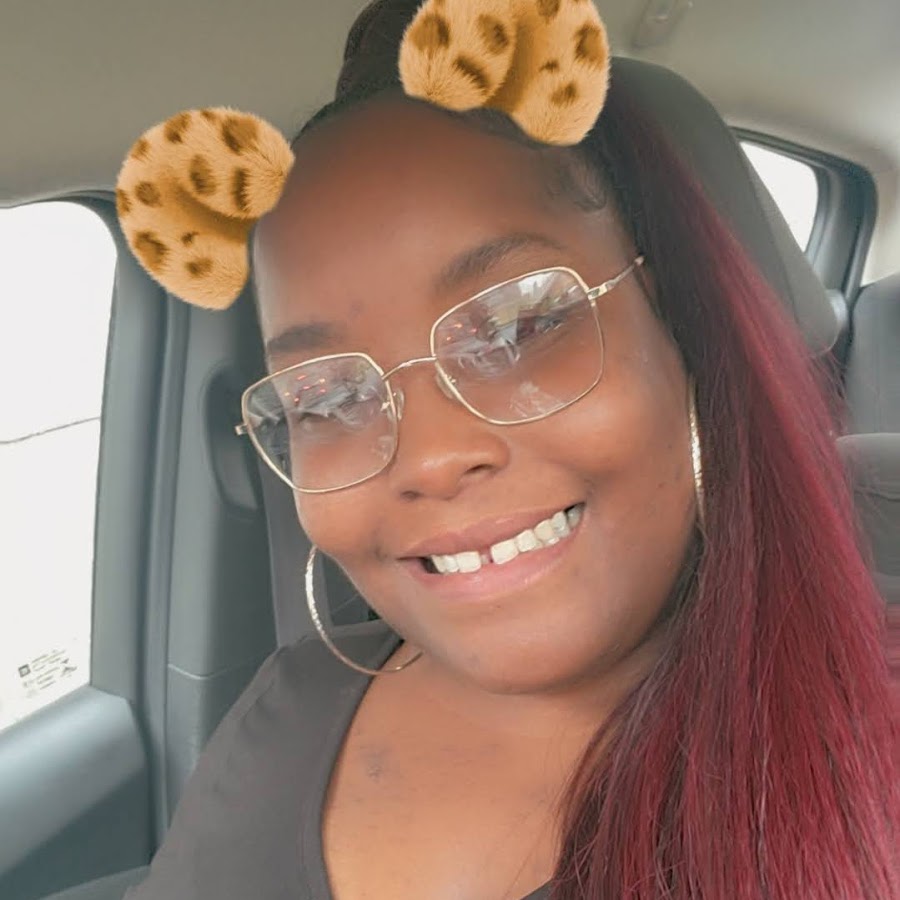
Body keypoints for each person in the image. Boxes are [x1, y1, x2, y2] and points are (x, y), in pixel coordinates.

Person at [117, 0, 899, 897]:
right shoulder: (291, 707)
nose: (430, 458)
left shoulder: (870, 723)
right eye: (326, 396)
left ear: (678, 326)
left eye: (518, 326)